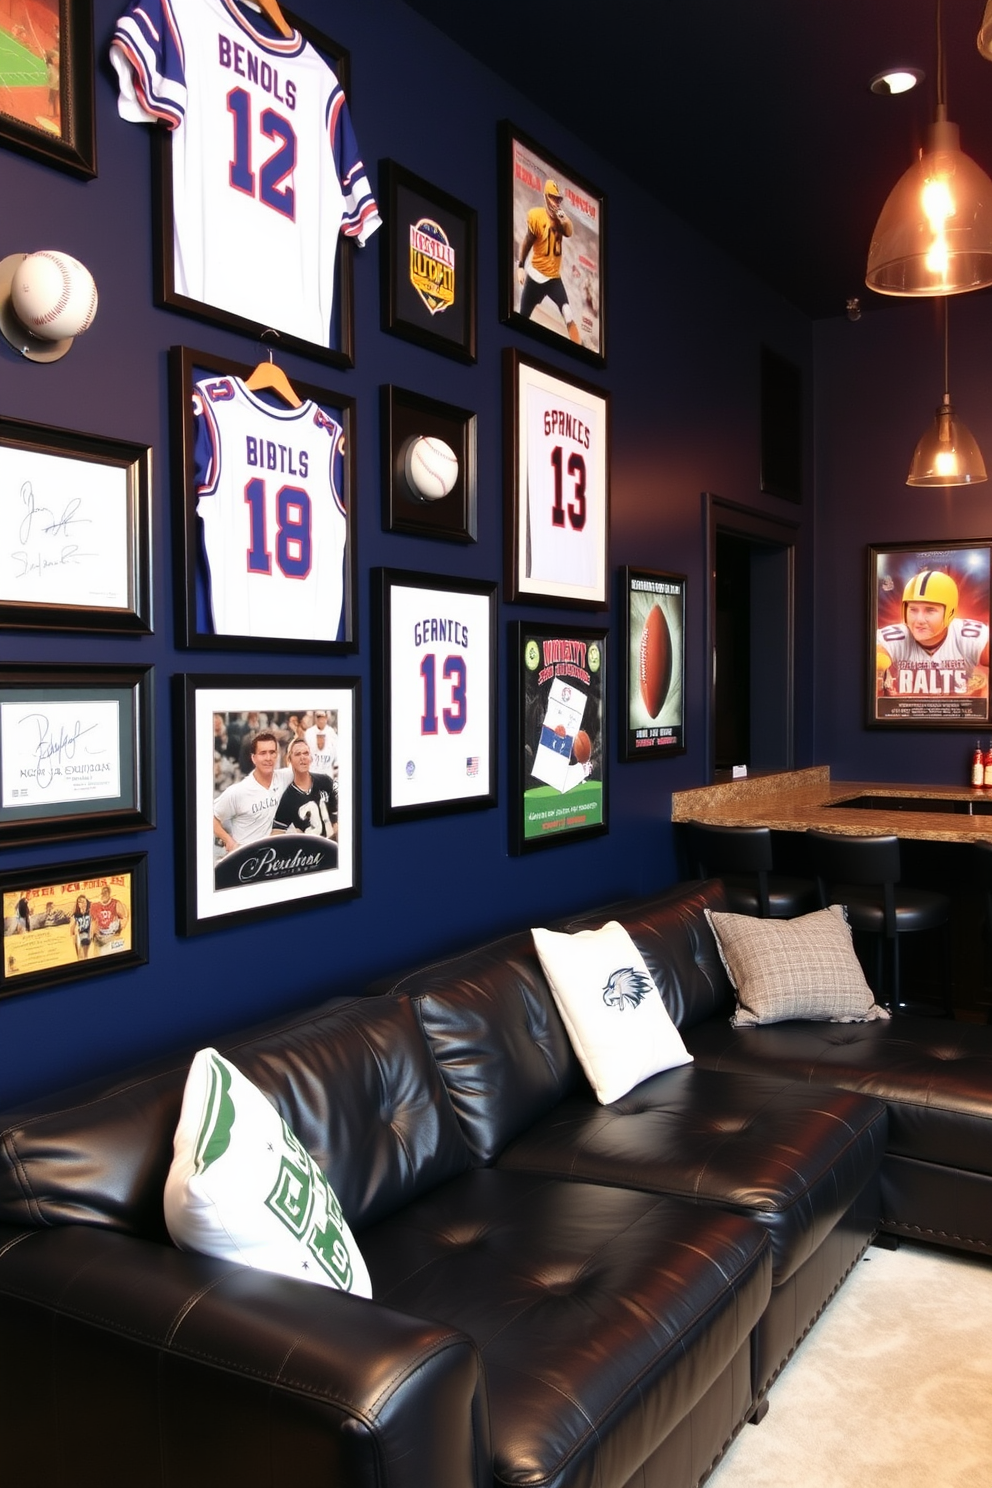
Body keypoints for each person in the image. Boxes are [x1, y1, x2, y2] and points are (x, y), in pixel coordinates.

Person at [876, 570, 990, 699]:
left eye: (930, 610)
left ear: (950, 612)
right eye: (913, 609)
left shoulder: (969, 636)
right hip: (905, 716)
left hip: (960, 714)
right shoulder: (892, 639)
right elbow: (876, 655)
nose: (919, 620)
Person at [517, 178, 581, 345]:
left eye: (558, 199)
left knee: (567, 312)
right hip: (536, 276)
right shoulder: (536, 216)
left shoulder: (562, 220)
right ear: (546, 197)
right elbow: (527, 241)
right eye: (553, 198)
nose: (556, 202)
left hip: (553, 278)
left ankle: (579, 348)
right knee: (522, 317)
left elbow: (569, 232)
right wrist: (521, 266)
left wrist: (564, 220)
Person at [212, 729, 292, 854]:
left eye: (272, 752)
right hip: (247, 863)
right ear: (253, 758)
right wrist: (229, 841)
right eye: (263, 753)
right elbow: (211, 817)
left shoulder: (285, 777)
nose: (268, 758)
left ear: (277, 755)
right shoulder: (238, 791)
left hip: (275, 862)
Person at [272, 739, 337, 839]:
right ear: (289, 759)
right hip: (311, 852)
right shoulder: (288, 798)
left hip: (333, 847)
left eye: (306, 753)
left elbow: (337, 814)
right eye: (298, 754)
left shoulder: (325, 781)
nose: (303, 757)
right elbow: (276, 833)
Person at [92, 885, 129, 954]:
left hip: (112, 935)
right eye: (103, 892)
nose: (104, 894)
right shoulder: (95, 906)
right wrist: (94, 933)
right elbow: (93, 922)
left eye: (106, 892)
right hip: (100, 936)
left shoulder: (115, 903)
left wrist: (119, 929)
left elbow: (124, 917)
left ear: (109, 893)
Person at [304, 709, 338, 776]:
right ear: (316, 718)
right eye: (318, 717)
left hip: (327, 772)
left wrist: (336, 764)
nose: (321, 720)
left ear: (326, 718)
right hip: (312, 771)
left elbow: (336, 751)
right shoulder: (309, 732)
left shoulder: (331, 733)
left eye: (323, 718)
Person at [71, 895, 92, 960]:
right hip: (81, 935)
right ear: (78, 904)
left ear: (86, 902)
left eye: (83, 901)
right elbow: (72, 929)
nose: (82, 903)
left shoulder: (90, 912)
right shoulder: (76, 915)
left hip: (90, 934)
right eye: (79, 902)